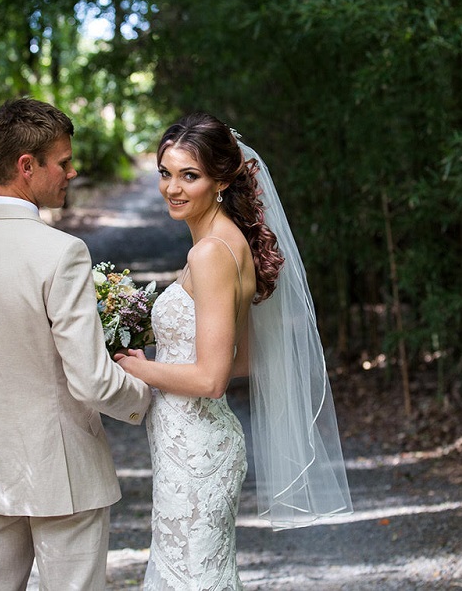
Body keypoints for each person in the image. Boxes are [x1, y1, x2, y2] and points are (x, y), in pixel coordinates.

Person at [0, 97, 152, 591]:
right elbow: (89, 378)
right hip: (64, 473)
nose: (72, 172)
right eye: (63, 162)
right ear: (28, 166)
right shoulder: (61, 253)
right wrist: (144, 397)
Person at [117, 112, 353, 590]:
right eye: (166, 173)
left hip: (198, 449)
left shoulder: (210, 254)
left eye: (190, 175)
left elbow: (211, 379)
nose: (173, 188)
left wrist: (137, 367)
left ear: (221, 179)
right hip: (189, 443)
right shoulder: (227, 243)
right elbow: (242, 359)